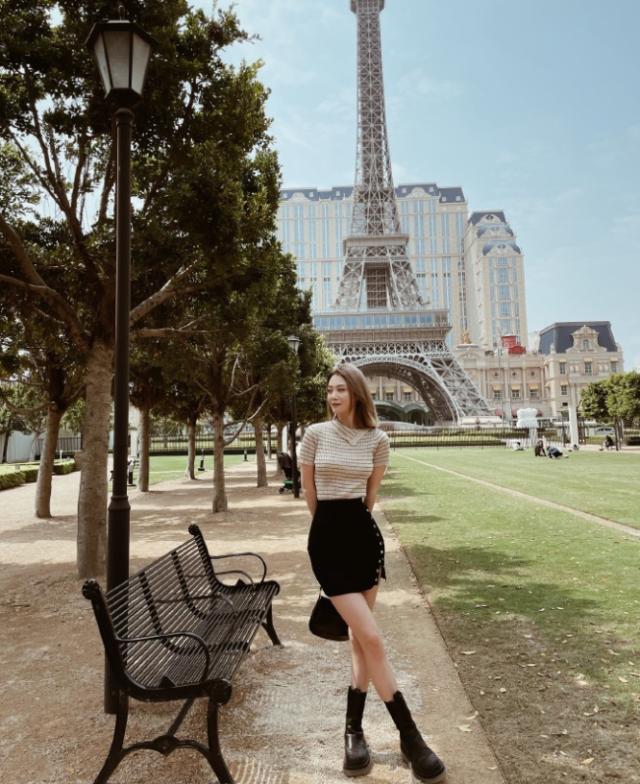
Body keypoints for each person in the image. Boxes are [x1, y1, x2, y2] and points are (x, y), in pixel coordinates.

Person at [299, 364, 446, 783]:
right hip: (328, 541)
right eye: (329, 389)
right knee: (374, 638)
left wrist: (350, 528)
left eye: (341, 389)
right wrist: (326, 533)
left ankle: (353, 731)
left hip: (363, 541)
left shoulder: (378, 440)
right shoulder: (314, 434)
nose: (333, 396)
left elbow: (371, 495)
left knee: (361, 642)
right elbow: (309, 492)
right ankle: (410, 737)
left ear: (357, 394)